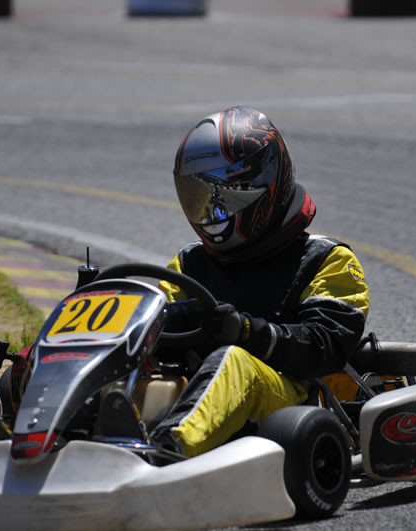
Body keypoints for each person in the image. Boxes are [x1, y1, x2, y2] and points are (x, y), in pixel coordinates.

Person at [103, 106, 370, 458]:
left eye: (227, 194)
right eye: (200, 196)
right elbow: (152, 317)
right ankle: (38, 423)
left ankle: (166, 450)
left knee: (235, 362)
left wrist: (247, 331)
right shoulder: (188, 265)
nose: (212, 212)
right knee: (116, 349)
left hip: (291, 399)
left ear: (267, 182)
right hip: (199, 390)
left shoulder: (326, 259)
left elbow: (326, 347)